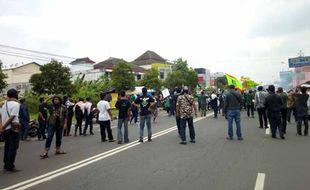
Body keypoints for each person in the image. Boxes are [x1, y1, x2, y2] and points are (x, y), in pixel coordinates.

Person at [0, 89, 21, 172]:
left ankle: (6, 164)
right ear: (15, 95)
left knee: (7, 147)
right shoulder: (16, 104)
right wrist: (4, 126)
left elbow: (1, 116)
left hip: (5, 130)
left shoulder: (3, 104)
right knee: (13, 147)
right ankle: (10, 166)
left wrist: (2, 127)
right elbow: (12, 117)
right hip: (13, 129)